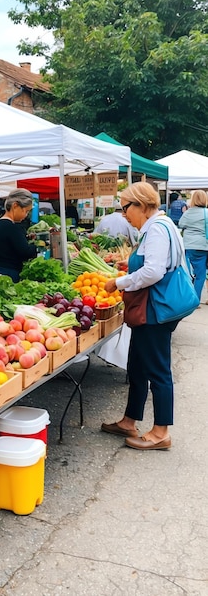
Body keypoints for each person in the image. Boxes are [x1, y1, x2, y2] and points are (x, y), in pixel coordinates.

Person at [101, 182, 180, 451]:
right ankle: (129, 420)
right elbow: (152, 264)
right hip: (150, 309)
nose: (124, 214)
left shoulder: (157, 229)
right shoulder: (159, 226)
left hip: (155, 310)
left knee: (157, 370)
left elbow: (154, 272)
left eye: (126, 208)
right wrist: (130, 265)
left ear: (142, 206)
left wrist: (119, 282)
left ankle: (161, 432)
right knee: (137, 364)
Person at [0, 188, 37, 282]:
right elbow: (25, 252)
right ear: (15, 206)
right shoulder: (12, 227)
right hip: (7, 276)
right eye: (26, 211)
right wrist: (37, 246)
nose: (26, 215)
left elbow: (6, 245)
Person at [178, 189, 208, 303]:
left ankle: (187, 298)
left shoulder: (188, 213)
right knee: (201, 275)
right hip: (204, 246)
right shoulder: (207, 212)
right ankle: (196, 299)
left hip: (189, 246)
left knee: (188, 273)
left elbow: (181, 224)